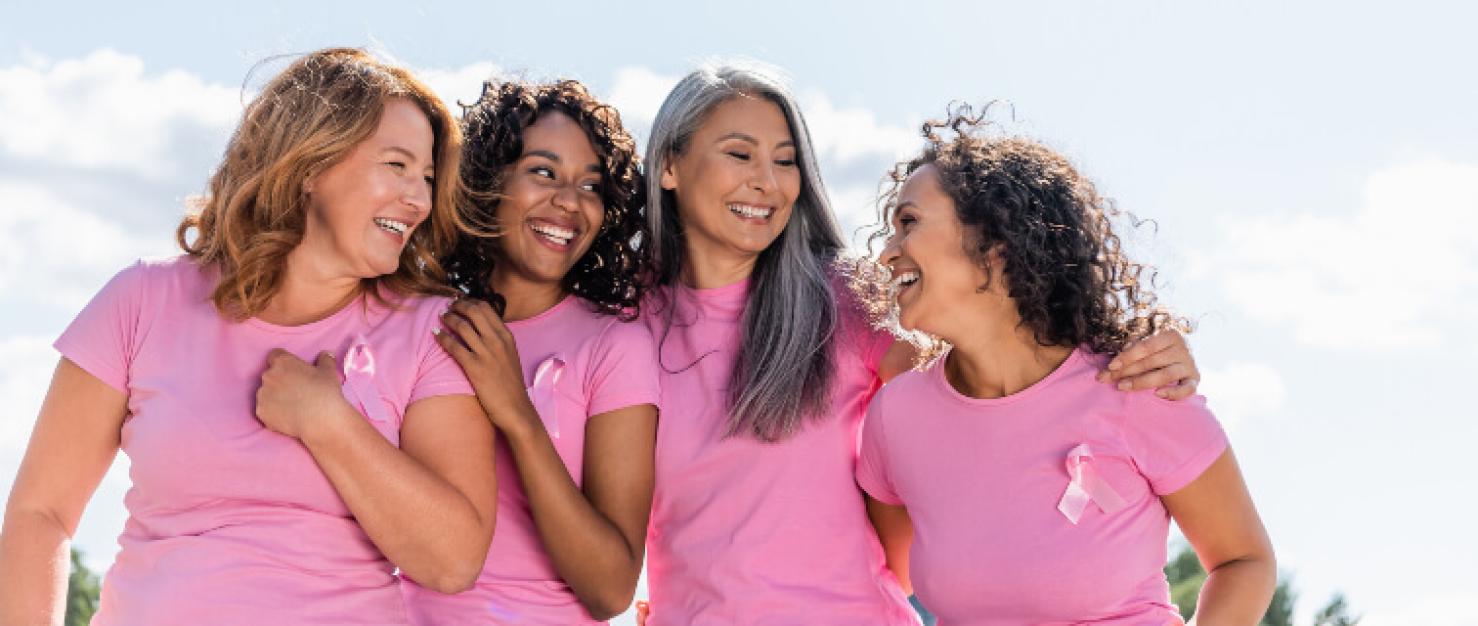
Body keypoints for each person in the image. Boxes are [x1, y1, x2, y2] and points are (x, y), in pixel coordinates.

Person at [634, 62, 1205, 625]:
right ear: (668, 166)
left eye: (786, 161)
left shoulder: (844, 297)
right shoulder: (625, 322)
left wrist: (1121, 346)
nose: (768, 181)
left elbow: (992, 374)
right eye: (740, 154)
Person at [0, 48, 498, 625]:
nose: (418, 198)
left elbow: (453, 560)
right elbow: (41, 513)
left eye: (429, 177)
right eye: (397, 165)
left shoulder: (430, 330)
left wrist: (329, 423)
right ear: (311, 163)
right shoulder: (141, 301)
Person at [857, 107, 1276, 625]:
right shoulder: (896, 418)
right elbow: (882, 583)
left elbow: (1244, 561)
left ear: (995, 244)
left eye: (909, 223)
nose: (887, 254)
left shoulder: (1135, 385)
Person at [396, 79, 658, 625]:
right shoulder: (421, 322)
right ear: (487, 183)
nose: (570, 201)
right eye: (543, 172)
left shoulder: (612, 345)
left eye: (591, 185)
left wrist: (516, 413)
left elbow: (611, 589)